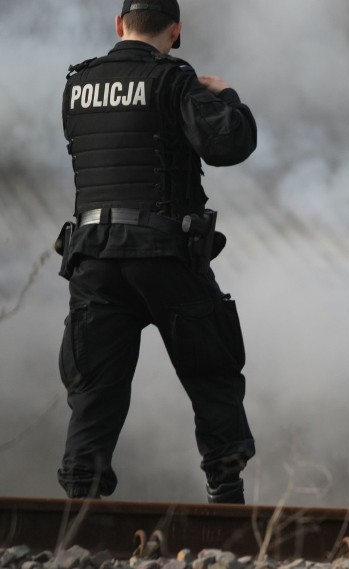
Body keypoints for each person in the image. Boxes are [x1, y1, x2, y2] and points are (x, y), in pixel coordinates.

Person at [56, 0, 256, 503]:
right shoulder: (174, 79)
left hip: (93, 258)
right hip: (164, 254)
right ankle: (225, 492)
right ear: (176, 31)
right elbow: (229, 144)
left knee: (93, 394)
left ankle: (78, 512)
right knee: (213, 374)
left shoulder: (77, 86)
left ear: (119, 26)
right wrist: (226, 94)